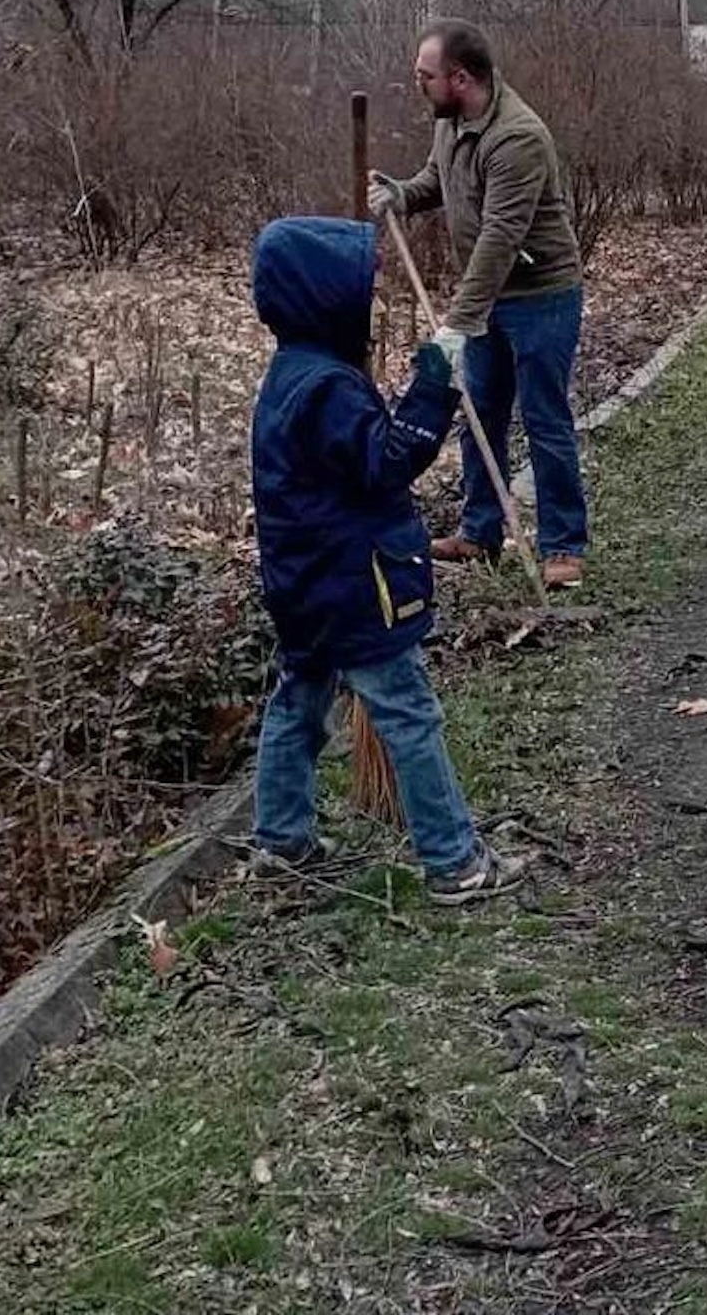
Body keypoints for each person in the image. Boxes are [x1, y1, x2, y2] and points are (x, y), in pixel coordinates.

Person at [248, 215, 520, 903]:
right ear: (322, 298)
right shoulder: (328, 389)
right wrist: (433, 386)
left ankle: (281, 840)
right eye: (359, 288)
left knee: (299, 702)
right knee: (408, 714)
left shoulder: (292, 375)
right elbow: (388, 462)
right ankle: (455, 862)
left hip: (302, 584)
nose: (370, 300)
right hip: (353, 584)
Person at [367, 19, 589, 590]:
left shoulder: (517, 137)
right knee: (480, 417)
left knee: (545, 421)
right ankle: (479, 532)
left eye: (426, 77)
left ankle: (564, 546)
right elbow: (438, 180)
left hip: (541, 299)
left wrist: (457, 324)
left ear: (460, 78)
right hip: (489, 300)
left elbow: (498, 239)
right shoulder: (454, 122)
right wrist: (399, 193)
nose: (419, 85)